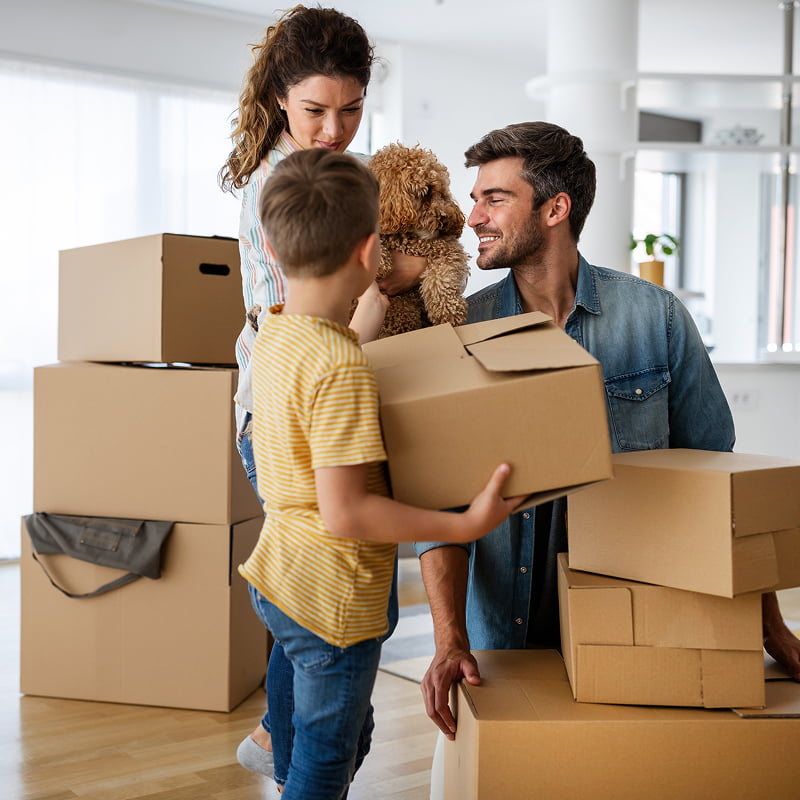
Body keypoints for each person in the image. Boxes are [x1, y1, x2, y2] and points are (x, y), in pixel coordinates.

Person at [415, 121, 800, 742]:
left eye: (494, 198)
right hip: (500, 636)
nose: (472, 216)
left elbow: (719, 489)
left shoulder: (656, 319)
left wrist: (770, 626)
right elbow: (439, 499)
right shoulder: (462, 330)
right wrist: (448, 639)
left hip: (639, 620)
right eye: (475, 196)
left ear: (554, 209)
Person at [239, 146, 522, 799]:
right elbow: (348, 511)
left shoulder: (277, 332)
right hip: (333, 598)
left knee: (322, 734)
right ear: (371, 252)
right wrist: (466, 518)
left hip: (278, 578)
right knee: (325, 763)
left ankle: (287, 756)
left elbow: (319, 393)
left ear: (274, 253)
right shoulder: (340, 366)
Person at [217, 5, 425, 789]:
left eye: (351, 110)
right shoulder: (277, 188)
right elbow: (311, 319)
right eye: (315, 111)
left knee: (304, 586)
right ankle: (292, 742)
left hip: (321, 385)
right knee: (319, 588)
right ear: (279, 98)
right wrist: (384, 281)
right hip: (282, 404)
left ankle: (279, 737)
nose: (334, 129)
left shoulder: (345, 173)